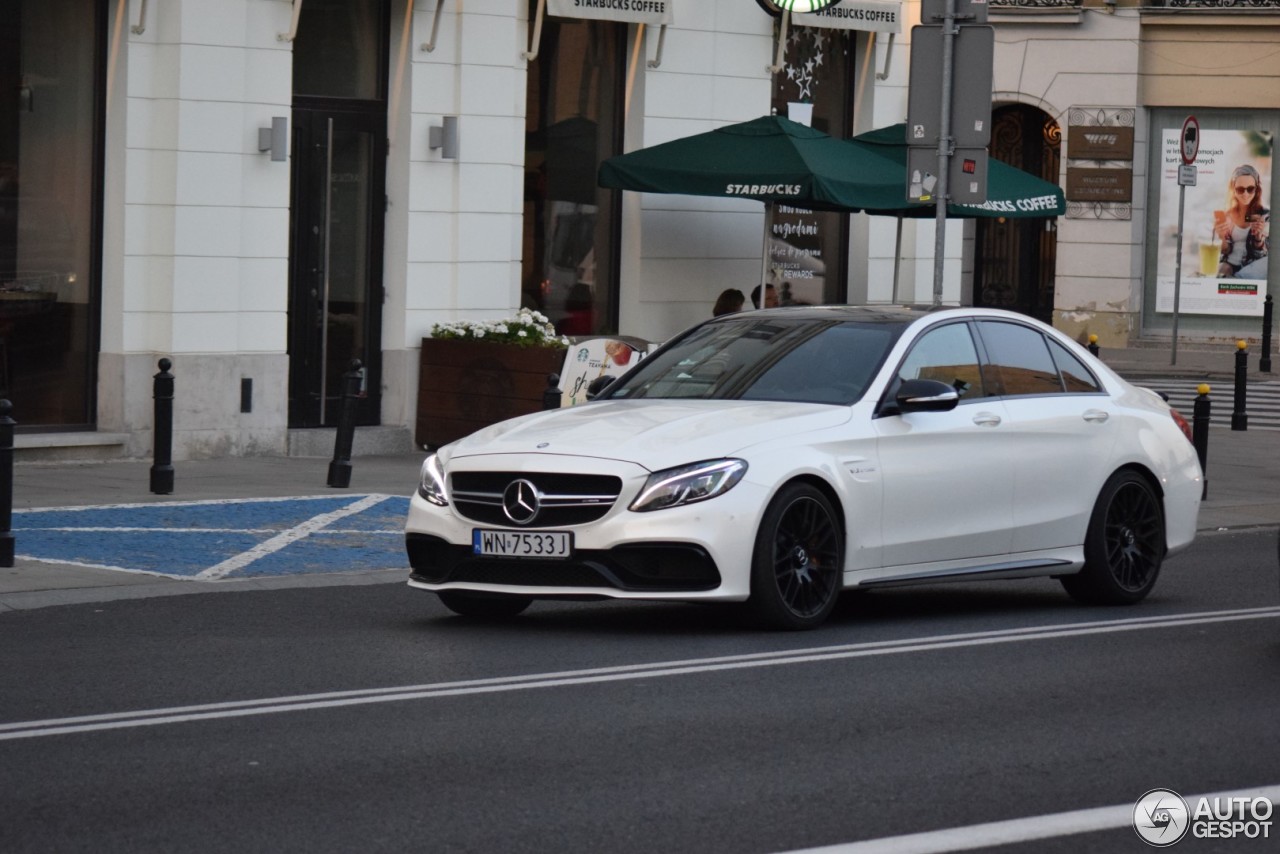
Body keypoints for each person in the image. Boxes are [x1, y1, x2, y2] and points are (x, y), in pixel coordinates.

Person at [1215, 164, 1269, 279]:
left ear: (1257, 189)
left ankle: (1237, 278)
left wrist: (1258, 237)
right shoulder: (1228, 215)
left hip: (1253, 266)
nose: (1245, 194)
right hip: (1229, 264)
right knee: (1222, 271)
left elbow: (1262, 254)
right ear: (1233, 190)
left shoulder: (1265, 215)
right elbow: (1226, 251)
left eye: (1250, 189)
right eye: (1240, 189)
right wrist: (1221, 237)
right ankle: (1236, 279)